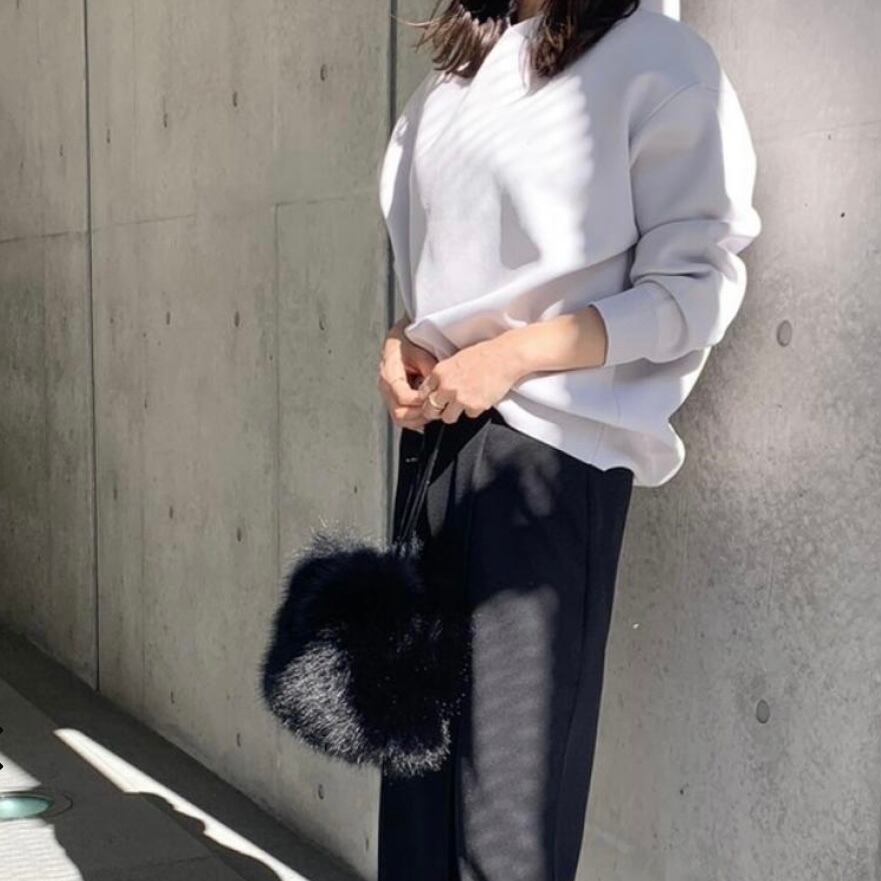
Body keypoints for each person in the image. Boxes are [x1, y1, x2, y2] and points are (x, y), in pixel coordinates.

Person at [375, 1, 761, 879]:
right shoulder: (445, 90)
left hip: (547, 465)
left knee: (505, 824)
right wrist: (403, 341)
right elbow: (439, 282)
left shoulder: (658, 61)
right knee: (414, 792)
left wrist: (512, 356)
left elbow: (692, 290)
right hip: (435, 447)